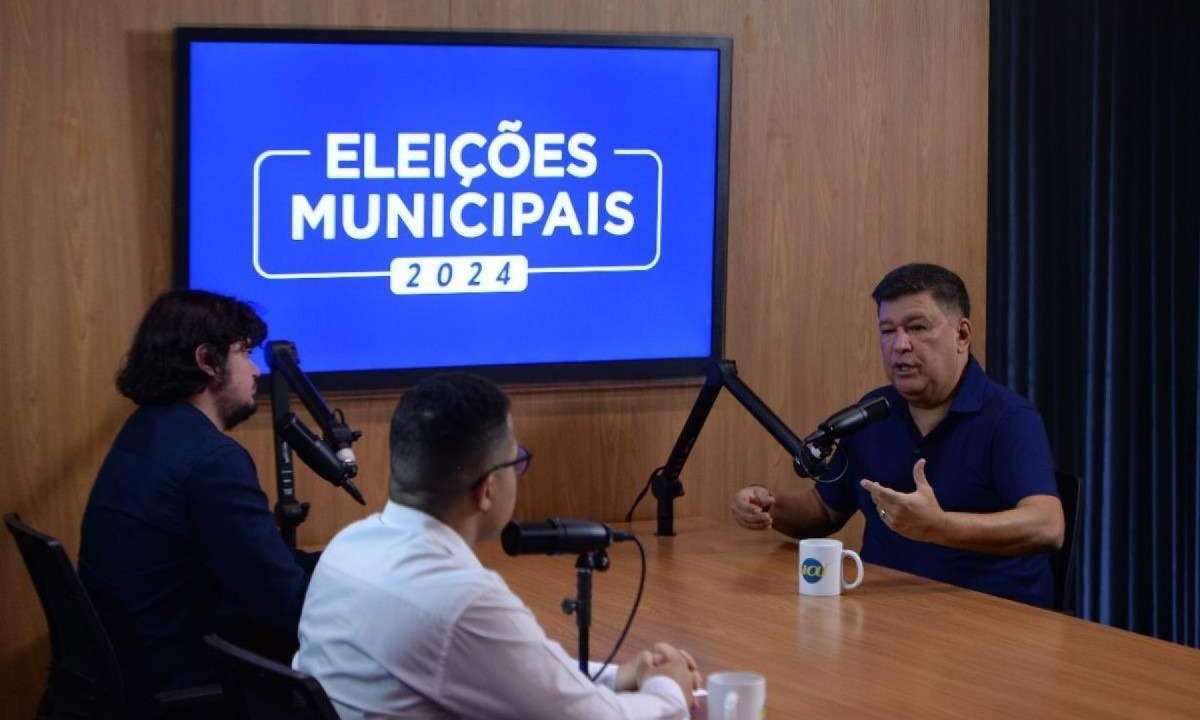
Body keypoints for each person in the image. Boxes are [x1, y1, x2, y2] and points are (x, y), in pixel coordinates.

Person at [294, 372, 701, 719]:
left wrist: (616, 676)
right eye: (516, 461)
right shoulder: (460, 599)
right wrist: (668, 690)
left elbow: (506, 668)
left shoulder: (347, 546)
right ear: (487, 488)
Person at [729, 263, 1065, 607]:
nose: (900, 345)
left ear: (962, 335)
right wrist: (769, 506)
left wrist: (940, 526)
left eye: (917, 328)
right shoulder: (874, 412)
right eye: (888, 330)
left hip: (991, 619)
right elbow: (823, 510)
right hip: (885, 613)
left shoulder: (1008, 418)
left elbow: (1047, 525)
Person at [78, 289, 317, 716]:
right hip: (187, 685)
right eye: (245, 353)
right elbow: (284, 602)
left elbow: (252, 562)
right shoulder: (211, 461)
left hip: (130, 677)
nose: (256, 372)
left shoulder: (146, 431)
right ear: (208, 361)